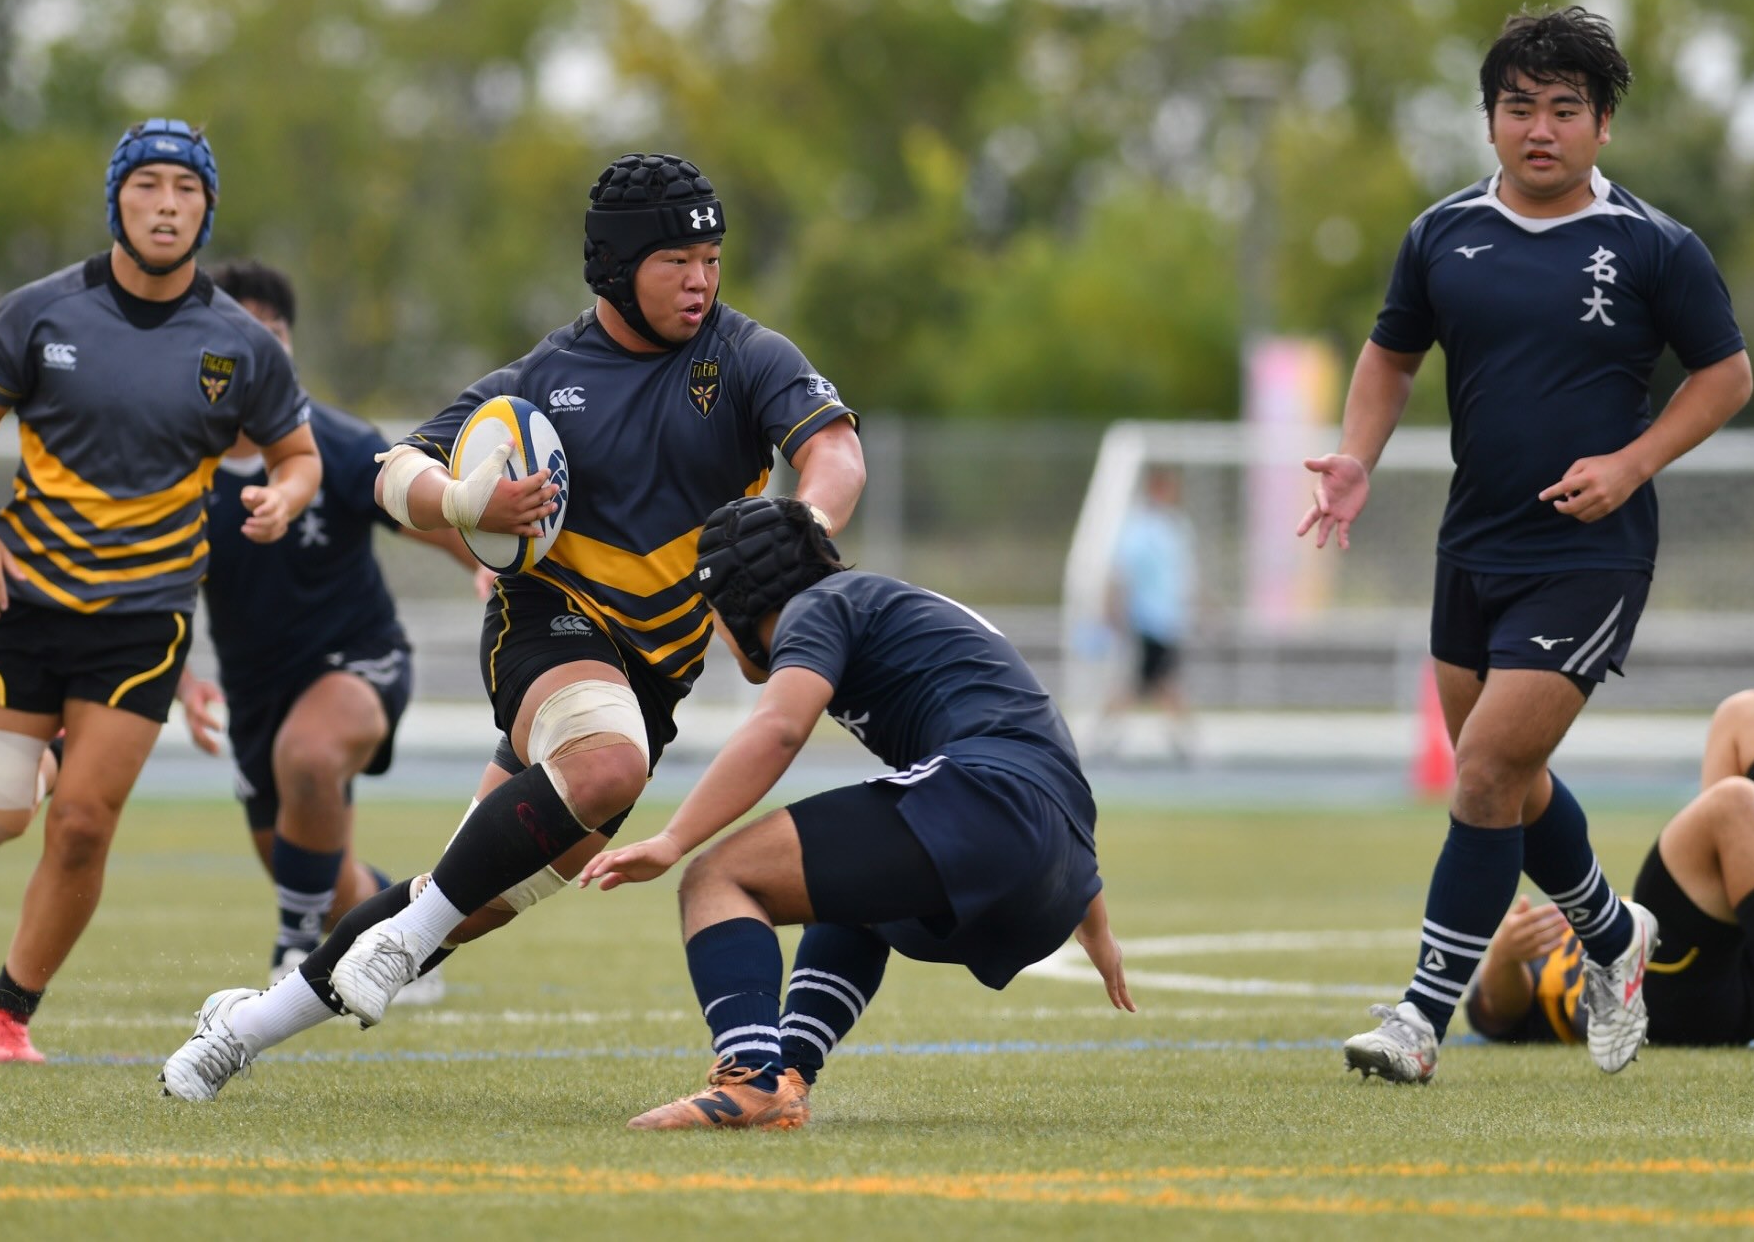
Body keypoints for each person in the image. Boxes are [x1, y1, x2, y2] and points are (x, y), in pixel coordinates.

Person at [160, 151, 866, 1100]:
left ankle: (242, 1025)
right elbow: (392, 470)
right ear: (617, 265)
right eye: (675, 261)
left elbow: (835, 451)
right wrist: (466, 501)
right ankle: (404, 947)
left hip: (654, 677)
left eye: (711, 258)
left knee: (465, 899)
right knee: (605, 766)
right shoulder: (546, 375)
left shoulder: (746, 356)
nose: (700, 280)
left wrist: (804, 520)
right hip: (549, 624)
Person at [1297, 7, 1753, 1083]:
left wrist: (1631, 463)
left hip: (1590, 555)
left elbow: (1726, 375)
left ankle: (1419, 1020)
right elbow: (1389, 355)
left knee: (1488, 768)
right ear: (1490, 119)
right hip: (1472, 547)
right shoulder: (1440, 234)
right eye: (1517, 107)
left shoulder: (1653, 245)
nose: (1538, 128)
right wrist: (1355, 455)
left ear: (1601, 124)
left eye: (1562, 109)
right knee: (1509, 777)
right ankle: (1614, 934)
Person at [0, 120, 319, 1065]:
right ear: (117, 199)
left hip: (145, 617)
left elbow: (299, 455)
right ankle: (47, 751)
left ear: (206, 210)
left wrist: (285, 497)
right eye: (147, 185)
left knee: (81, 825)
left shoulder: (240, 343)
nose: (166, 205)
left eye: (186, 190)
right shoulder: (40, 314)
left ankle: (7, 1015)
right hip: (24, 599)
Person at [577, 497, 1133, 1130]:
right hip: (1060, 873)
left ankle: (751, 1081)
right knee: (854, 891)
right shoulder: (877, 603)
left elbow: (781, 728)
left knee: (716, 878)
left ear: (738, 601)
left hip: (990, 801)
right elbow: (1051, 772)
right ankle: (788, 1075)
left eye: (713, 612)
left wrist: (674, 839)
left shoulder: (818, 605)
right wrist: (1094, 925)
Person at [36, 259, 483, 1000]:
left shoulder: (335, 442)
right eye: (239, 332)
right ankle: (406, 944)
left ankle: (293, 948)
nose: (258, 349)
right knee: (314, 866)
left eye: (272, 333)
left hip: (359, 660)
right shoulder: (174, 463)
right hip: (254, 692)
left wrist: (487, 566)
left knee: (309, 756)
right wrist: (182, 682)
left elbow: (420, 513)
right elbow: (139, 592)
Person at [1463, 689, 1754, 1048]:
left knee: (1745, 713)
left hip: (1742, 950)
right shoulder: (1537, 973)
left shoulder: (1588, 913)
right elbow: (1494, 1014)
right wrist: (1504, 958)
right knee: (1731, 805)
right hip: (1664, 998)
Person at [1102, 465, 1195, 758]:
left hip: (1170, 619)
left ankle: (1106, 733)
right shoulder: (1139, 528)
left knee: (1149, 681)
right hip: (1148, 619)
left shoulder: (1175, 526)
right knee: (1158, 680)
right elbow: (1122, 573)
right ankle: (1184, 739)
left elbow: (1181, 576)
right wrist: (1113, 607)